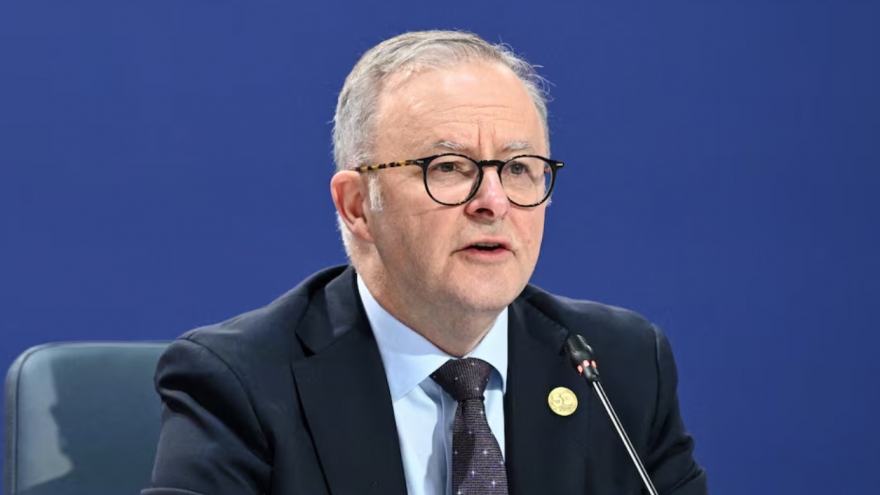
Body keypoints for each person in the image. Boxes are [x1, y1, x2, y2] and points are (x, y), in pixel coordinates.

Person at [144, 30, 708, 495]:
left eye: (518, 168)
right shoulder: (242, 385)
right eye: (449, 167)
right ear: (357, 206)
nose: (493, 202)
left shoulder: (620, 365)